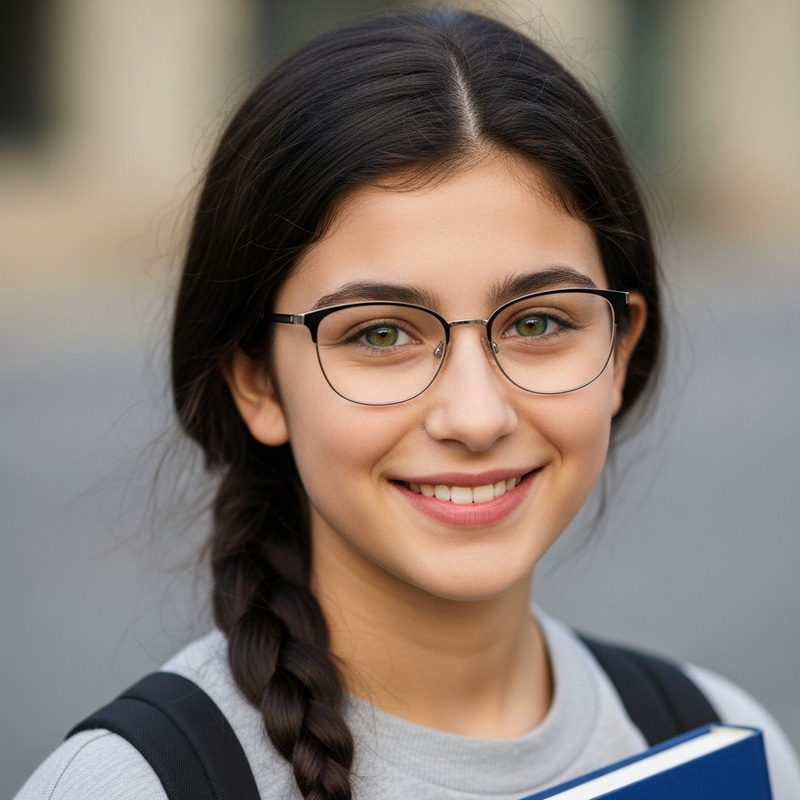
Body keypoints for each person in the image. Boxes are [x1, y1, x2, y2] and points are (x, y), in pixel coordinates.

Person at [14, 6, 800, 800]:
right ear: (256, 380)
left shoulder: (727, 748)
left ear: (620, 349)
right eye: (382, 334)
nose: (475, 416)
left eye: (537, 322)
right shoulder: (127, 787)